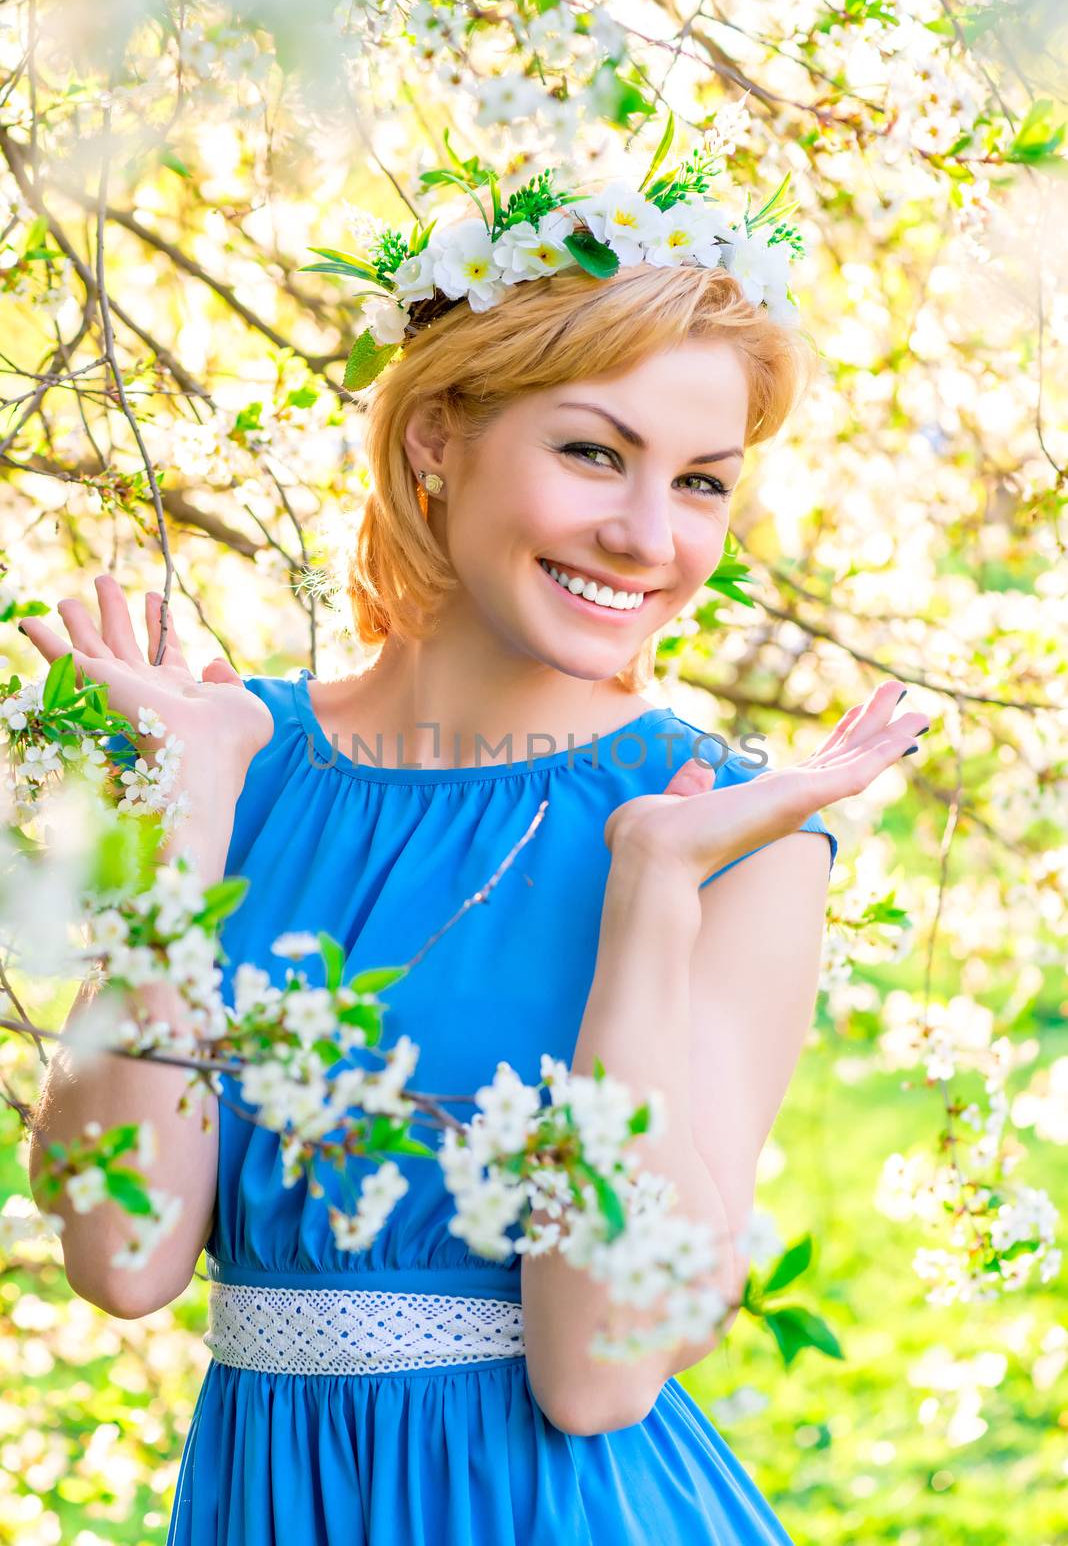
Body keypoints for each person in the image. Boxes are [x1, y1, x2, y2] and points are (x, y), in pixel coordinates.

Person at [21, 178, 929, 1544]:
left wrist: (651, 898)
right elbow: (120, 1255)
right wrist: (182, 815)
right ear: (439, 436)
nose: (648, 537)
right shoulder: (227, 757)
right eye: (591, 454)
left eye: (699, 482)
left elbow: (598, 1371)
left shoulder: (736, 836)